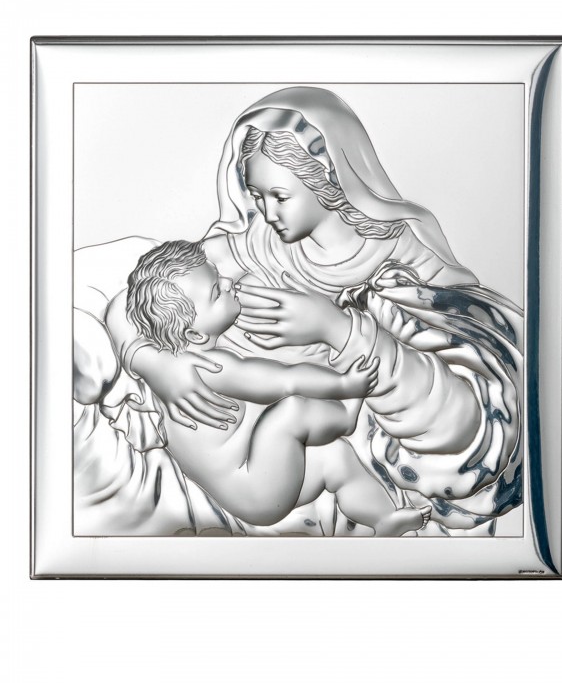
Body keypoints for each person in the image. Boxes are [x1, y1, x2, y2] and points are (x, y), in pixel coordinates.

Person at [93, 86, 522, 535]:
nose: (265, 212)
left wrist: (334, 327)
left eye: (280, 196)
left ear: (329, 180)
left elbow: (468, 381)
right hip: (242, 447)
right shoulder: (253, 243)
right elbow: (134, 301)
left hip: (328, 436)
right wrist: (153, 362)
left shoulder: (403, 255)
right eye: (256, 195)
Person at [125, 237, 430, 535]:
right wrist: (344, 385)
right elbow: (286, 380)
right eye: (217, 291)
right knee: (291, 411)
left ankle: (384, 519)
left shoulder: (168, 368)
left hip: (254, 491)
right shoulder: (207, 368)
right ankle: (344, 418)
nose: (228, 283)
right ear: (194, 335)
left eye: (219, 276)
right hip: (259, 488)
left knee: (335, 457)